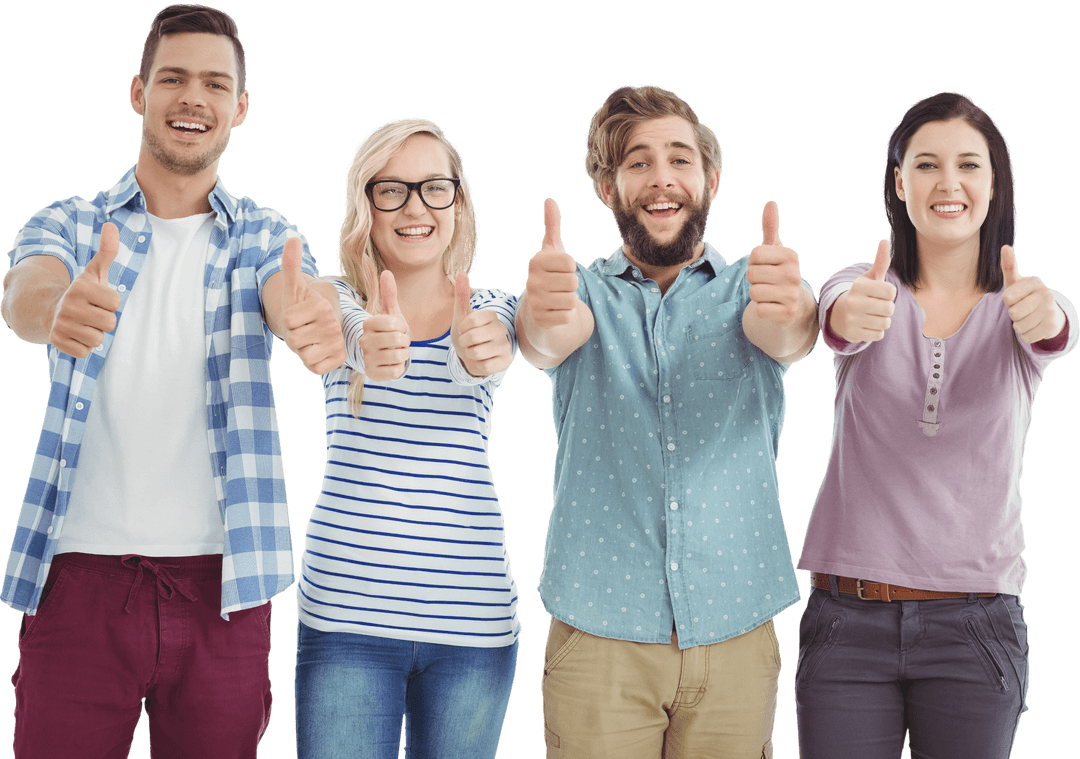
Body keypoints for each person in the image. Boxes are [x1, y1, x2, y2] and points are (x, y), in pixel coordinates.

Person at [0, 5, 345, 757]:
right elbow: (24, 291)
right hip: (78, 586)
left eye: (216, 83)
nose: (195, 97)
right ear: (139, 92)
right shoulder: (73, 222)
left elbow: (294, 294)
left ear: (239, 108)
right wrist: (57, 306)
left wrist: (312, 319)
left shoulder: (265, 233)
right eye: (175, 78)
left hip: (223, 590)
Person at [517, 85, 819, 759]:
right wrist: (541, 312)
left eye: (680, 159)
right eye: (637, 162)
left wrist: (795, 307)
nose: (662, 178)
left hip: (735, 637)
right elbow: (544, 336)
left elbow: (789, 329)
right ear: (607, 187)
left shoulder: (753, 286)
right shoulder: (579, 290)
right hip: (600, 640)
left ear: (710, 180)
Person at [796, 92, 1076, 758]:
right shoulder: (862, 286)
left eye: (968, 165)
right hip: (847, 622)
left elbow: (1058, 324)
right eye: (926, 165)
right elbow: (836, 312)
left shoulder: (1023, 305)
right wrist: (843, 313)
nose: (947, 183)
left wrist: (1050, 318)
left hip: (975, 628)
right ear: (899, 182)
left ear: (994, 182)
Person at [294, 118, 520, 759]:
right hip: (346, 622)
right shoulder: (334, 301)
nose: (415, 206)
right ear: (365, 206)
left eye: (433, 188)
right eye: (390, 189)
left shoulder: (492, 308)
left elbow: (497, 340)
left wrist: (484, 346)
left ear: (459, 204)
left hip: (471, 627)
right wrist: (366, 340)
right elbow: (329, 315)